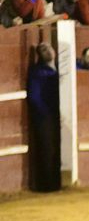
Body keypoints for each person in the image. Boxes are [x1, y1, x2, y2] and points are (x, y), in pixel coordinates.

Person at [27, 43, 61, 192]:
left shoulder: (56, 69)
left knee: (53, 148)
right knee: (47, 149)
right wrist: (45, 113)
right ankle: (47, 185)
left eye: (48, 48)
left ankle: (54, 183)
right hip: (45, 116)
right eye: (43, 50)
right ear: (39, 55)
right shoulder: (37, 72)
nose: (47, 52)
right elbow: (34, 97)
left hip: (55, 114)